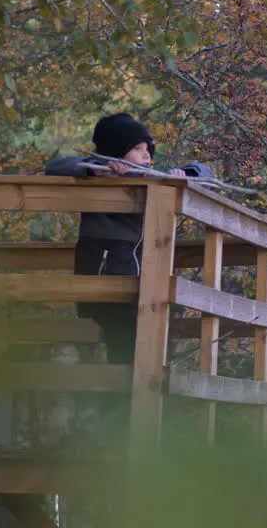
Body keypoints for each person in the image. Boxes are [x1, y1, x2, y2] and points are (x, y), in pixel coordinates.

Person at [45, 112, 212, 365]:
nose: (147, 155)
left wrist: (185, 173)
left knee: (144, 345)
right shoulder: (96, 173)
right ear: (116, 152)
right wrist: (98, 172)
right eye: (137, 148)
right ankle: (117, 398)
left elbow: (204, 172)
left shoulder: (149, 177)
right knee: (122, 343)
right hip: (107, 276)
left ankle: (130, 395)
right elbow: (55, 167)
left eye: (148, 148)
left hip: (141, 281)